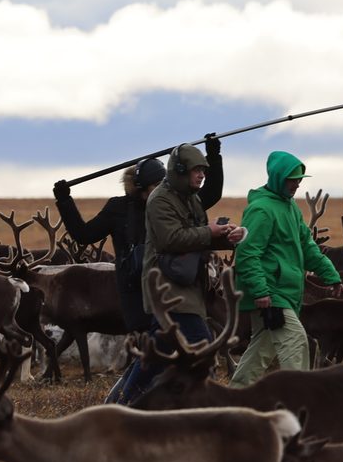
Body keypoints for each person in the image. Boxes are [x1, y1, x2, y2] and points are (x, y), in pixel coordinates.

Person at [109, 142, 242, 404]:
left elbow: (198, 237)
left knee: (157, 354)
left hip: (186, 284)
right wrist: (210, 231)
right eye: (196, 170)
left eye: (203, 170)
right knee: (201, 344)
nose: (202, 175)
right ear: (180, 170)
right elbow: (171, 239)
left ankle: (119, 406)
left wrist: (228, 237)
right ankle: (211, 406)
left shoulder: (190, 199)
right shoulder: (160, 200)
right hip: (167, 287)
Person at [229, 151, 343, 386]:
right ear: (278, 177)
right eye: (292, 179)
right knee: (296, 342)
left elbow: (307, 246)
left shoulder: (290, 208)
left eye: (299, 178)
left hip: (282, 293)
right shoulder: (261, 210)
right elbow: (247, 253)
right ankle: (299, 401)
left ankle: (234, 395)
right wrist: (261, 291)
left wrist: (330, 275)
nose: (297, 183)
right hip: (272, 294)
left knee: (261, 349)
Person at [52, 157, 166, 335]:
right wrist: (65, 201)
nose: (162, 189)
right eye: (156, 185)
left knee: (162, 344)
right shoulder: (117, 208)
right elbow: (83, 235)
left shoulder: (167, 205)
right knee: (146, 341)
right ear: (141, 186)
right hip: (133, 289)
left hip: (164, 284)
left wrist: (214, 157)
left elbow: (209, 195)